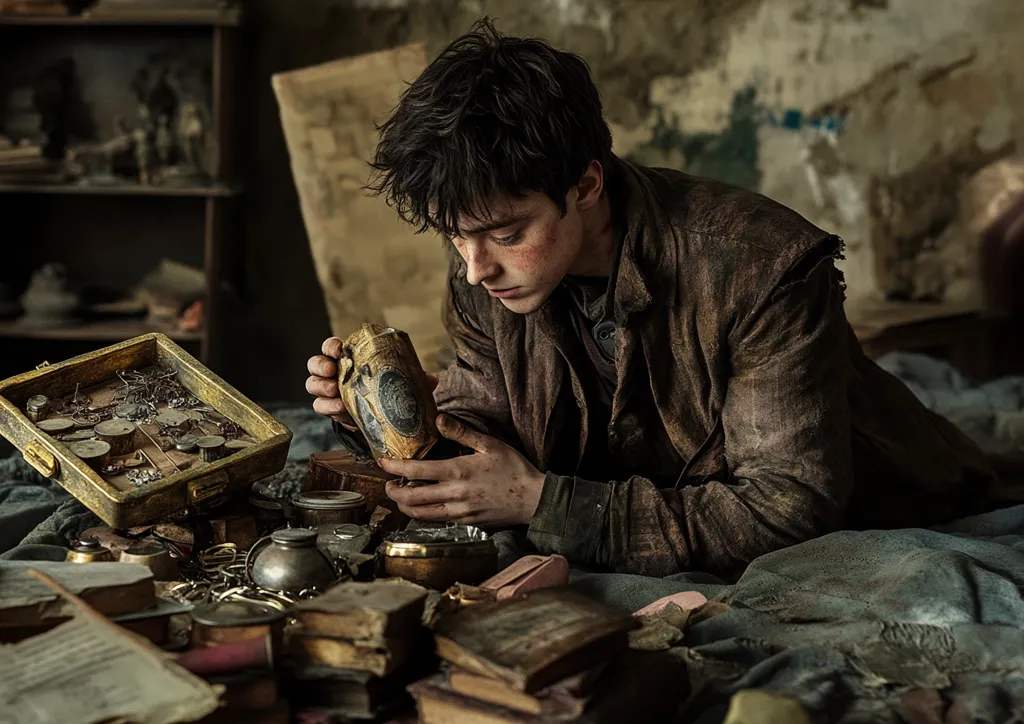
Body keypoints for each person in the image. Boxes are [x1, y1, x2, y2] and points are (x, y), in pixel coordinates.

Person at [305, 19, 999, 578]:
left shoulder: (761, 268)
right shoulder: (484, 265)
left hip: (884, 498)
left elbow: (790, 508)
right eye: (456, 238)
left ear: (585, 186)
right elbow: (491, 420)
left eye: (507, 233)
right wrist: (383, 415)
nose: (476, 267)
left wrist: (544, 503)